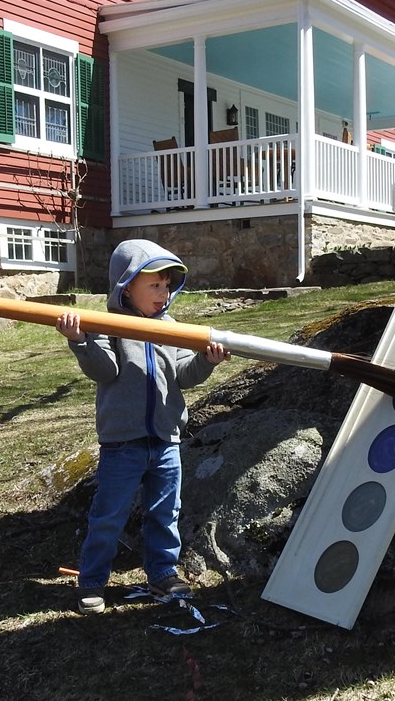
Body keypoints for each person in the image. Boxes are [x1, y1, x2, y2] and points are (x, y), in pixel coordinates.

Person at [56, 239, 229, 615]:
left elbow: (183, 376)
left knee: (165, 512)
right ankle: (93, 580)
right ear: (127, 285)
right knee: (109, 515)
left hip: (166, 440)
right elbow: (106, 370)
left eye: (167, 286)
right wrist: (81, 342)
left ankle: (162, 573)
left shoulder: (174, 329)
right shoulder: (109, 326)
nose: (162, 293)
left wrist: (207, 361)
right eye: (154, 285)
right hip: (123, 442)